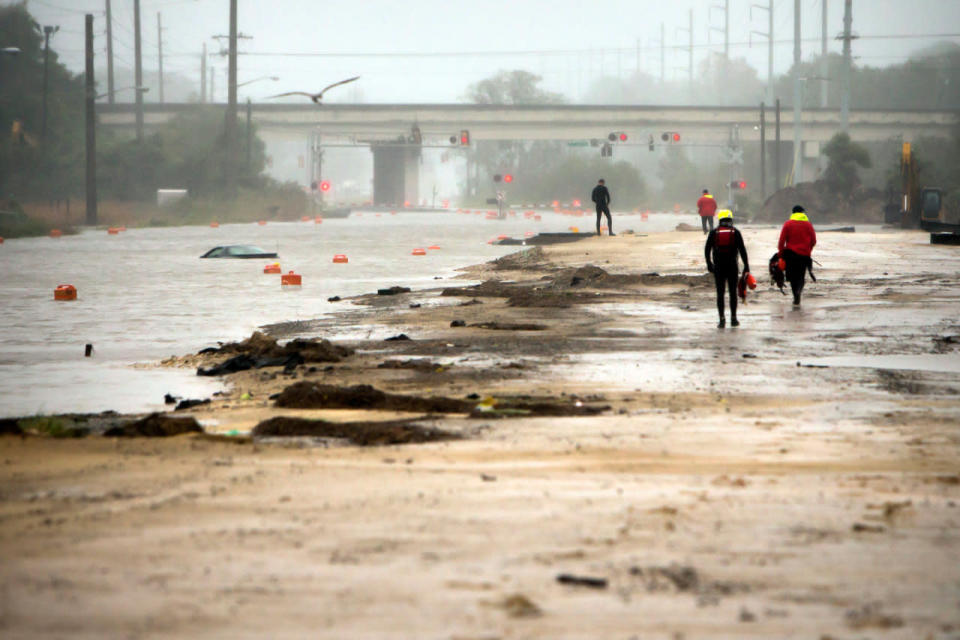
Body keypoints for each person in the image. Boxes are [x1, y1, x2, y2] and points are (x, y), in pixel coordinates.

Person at [704, 209, 750, 328]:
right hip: (732, 266)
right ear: (731, 220)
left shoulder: (714, 232)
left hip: (718, 267)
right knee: (733, 293)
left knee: (720, 293)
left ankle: (721, 320)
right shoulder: (736, 232)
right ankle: (734, 319)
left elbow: (707, 249)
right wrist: (746, 266)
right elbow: (742, 250)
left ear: (720, 220)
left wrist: (709, 263)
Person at [778, 205, 817, 305]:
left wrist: (781, 253)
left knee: (792, 277)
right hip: (804, 255)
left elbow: (781, 241)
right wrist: (808, 250)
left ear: (793, 213)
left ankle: (796, 294)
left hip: (790, 255)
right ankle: (799, 291)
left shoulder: (787, 224)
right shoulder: (808, 225)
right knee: (801, 276)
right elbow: (813, 240)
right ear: (803, 213)